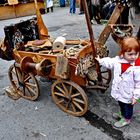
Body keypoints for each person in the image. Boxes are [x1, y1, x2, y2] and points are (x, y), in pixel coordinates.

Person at [95, 37, 140, 128]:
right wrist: (101, 61)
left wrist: (136, 97)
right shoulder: (118, 60)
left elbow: (139, 84)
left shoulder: (137, 68)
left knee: (127, 106)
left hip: (129, 94)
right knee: (121, 103)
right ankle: (122, 113)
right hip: (119, 90)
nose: (133, 57)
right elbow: (109, 62)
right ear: (123, 53)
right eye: (130, 54)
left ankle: (126, 119)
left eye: (136, 54)